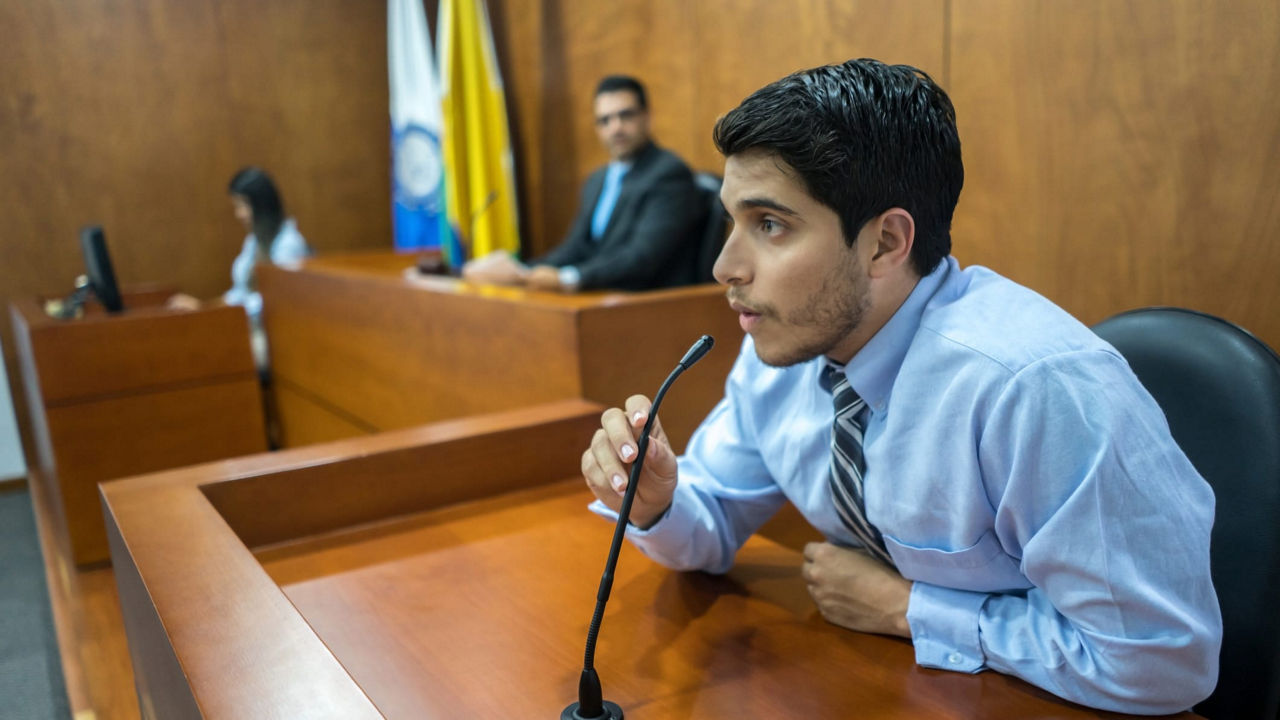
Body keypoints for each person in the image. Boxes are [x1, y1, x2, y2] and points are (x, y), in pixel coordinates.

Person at [578, 59, 1221, 715]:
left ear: (885, 242)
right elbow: (709, 525)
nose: (725, 266)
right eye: (731, 222)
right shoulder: (788, 350)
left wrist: (912, 610)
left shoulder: (1033, 389)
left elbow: (1159, 661)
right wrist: (658, 499)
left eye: (769, 225)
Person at [462, 75, 705, 291]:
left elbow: (641, 257)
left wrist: (569, 278)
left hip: (649, 304)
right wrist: (519, 271)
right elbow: (576, 248)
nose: (616, 127)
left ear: (646, 116)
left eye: (625, 115)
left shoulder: (669, 173)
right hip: (602, 298)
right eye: (605, 120)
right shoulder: (596, 180)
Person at [170, 167, 311, 370]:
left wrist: (209, 311)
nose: (239, 214)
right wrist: (203, 308)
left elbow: (272, 303)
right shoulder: (255, 241)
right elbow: (240, 293)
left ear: (261, 204)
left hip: (278, 337)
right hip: (249, 330)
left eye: (242, 205)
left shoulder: (288, 245)